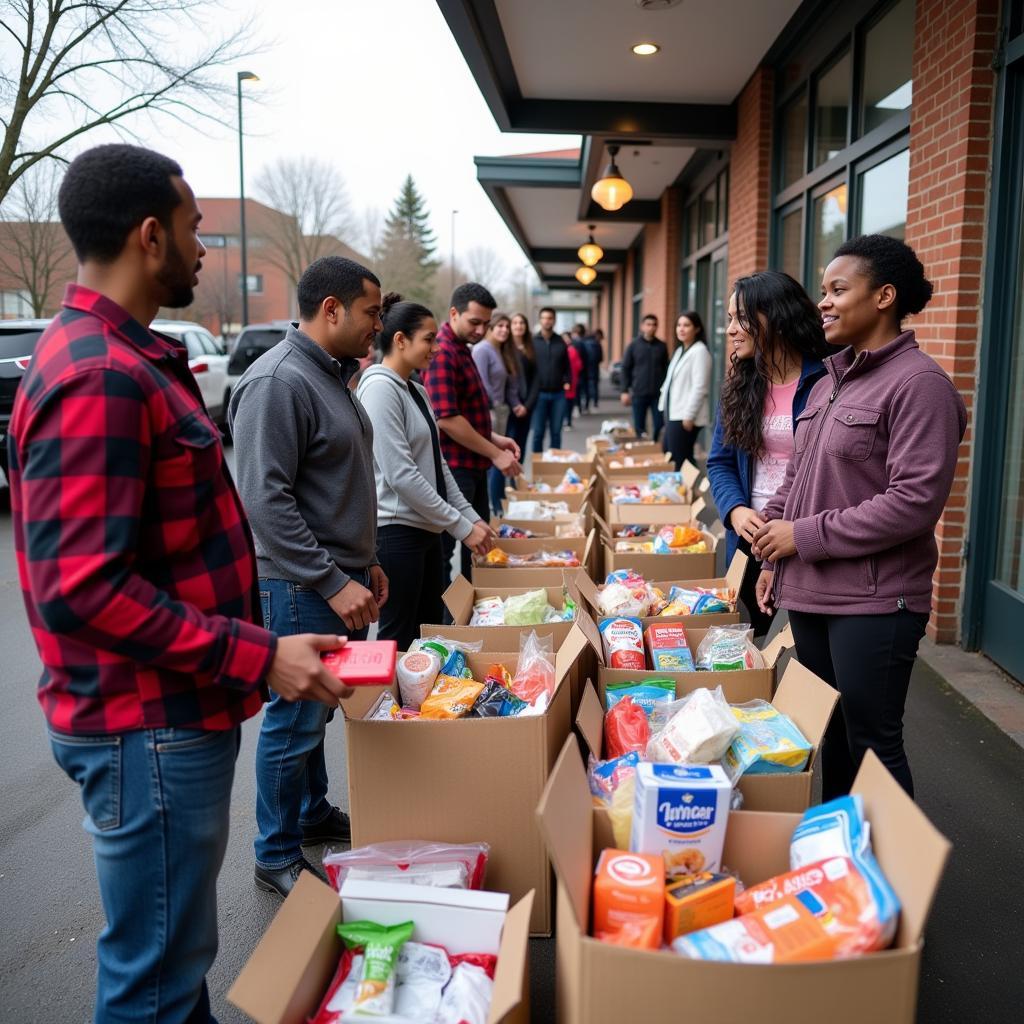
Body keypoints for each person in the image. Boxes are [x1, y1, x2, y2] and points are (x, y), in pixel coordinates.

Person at [8, 144, 352, 1023]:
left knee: (171, 968)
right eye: (198, 231)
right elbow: (80, 589)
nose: (207, 250)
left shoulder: (121, 357)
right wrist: (258, 653)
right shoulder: (99, 375)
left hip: (161, 718)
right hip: (146, 728)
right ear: (150, 235)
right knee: (156, 985)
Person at [753, 235, 967, 801]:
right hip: (812, 593)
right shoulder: (827, 381)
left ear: (884, 297)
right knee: (831, 734)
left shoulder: (921, 385)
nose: (822, 302)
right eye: (823, 290)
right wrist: (775, 548)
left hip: (876, 601)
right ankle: (835, 857)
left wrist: (801, 535)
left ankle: (892, 880)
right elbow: (800, 478)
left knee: (872, 740)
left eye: (837, 289)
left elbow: (914, 502)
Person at [230, 254, 387, 898]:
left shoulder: (331, 375)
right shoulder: (278, 382)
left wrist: (367, 559)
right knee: (292, 721)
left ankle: (311, 813)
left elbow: (334, 483)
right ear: (332, 310)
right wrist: (331, 579)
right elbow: (265, 502)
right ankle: (274, 853)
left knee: (316, 713)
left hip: (335, 574)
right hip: (298, 585)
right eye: (372, 313)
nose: (378, 325)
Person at [357, 294, 494, 650]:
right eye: (429, 339)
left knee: (428, 631)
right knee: (399, 636)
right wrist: (461, 527)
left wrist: (470, 518)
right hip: (397, 534)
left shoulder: (415, 390)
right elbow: (401, 475)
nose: (435, 347)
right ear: (400, 340)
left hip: (426, 532)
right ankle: (384, 706)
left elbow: (437, 466)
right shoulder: (379, 388)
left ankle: (420, 705)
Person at [706, 270, 830, 637]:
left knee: (808, 651)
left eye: (741, 318)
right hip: (749, 537)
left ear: (776, 318)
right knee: (748, 643)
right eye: (729, 319)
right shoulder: (740, 386)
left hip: (804, 536)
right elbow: (720, 461)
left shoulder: (826, 381)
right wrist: (734, 510)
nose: (731, 329)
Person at [423, 283, 523, 581]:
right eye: (474, 322)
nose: (481, 330)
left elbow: (464, 414)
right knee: (447, 552)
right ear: (454, 313)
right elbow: (447, 419)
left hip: (472, 465)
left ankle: (470, 618)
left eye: (485, 324)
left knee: (479, 545)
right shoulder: (442, 353)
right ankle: (444, 622)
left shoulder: (462, 348)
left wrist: (494, 439)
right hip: (455, 468)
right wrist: (495, 454)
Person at [472, 312, 526, 515]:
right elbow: (481, 383)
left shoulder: (503, 350)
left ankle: (497, 503)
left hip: (502, 411)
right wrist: (490, 410)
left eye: (507, 326)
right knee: (493, 460)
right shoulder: (482, 349)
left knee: (498, 460)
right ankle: (494, 506)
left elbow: (510, 385)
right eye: (500, 326)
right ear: (491, 328)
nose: (504, 330)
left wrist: (516, 404)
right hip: (489, 411)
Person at [659, 311, 712, 470]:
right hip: (673, 412)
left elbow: (700, 387)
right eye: (679, 325)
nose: (681, 329)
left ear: (696, 329)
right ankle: (689, 491)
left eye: (686, 325)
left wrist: (689, 416)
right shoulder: (680, 351)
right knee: (673, 454)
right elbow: (669, 382)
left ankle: (691, 492)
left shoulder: (700, 352)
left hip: (685, 415)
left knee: (680, 460)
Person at [620, 313, 669, 440]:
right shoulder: (633, 345)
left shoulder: (661, 346)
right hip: (639, 392)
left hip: (657, 394)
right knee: (639, 427)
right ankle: (642, 449)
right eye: (648, 324)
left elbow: (666, 369)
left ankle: (654, 444)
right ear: (642, 326)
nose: (651, 327)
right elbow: (625, 368)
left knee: (659, 424)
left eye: (654, 325)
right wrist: (624, 390)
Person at [529, 306, 571, 451]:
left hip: (558, 394)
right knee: (538, 433)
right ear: (540, 320)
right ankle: (538, 469)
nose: (547, 321)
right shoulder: (533, 342)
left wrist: (567, 381)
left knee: (556, 433)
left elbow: (567, 366)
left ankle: (553, 468)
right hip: (539, 394)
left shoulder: (561, 342)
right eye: (544, 318)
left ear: (554, 320)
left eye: (550, 318)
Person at [507, 312, 535, 458]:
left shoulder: (531, 348)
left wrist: (527, 405)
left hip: (527, 404)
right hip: (510, 405)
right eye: (515, 323)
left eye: (522, 323)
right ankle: (507, 480)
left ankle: (518, 479)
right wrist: (515, 404)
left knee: (522, 444)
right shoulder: (505, 349)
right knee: (509, 444)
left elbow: (536, 379)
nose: (518, 326)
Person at [564, 329, 584, 427]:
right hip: (570, 379)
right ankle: (568, 421)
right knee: (568, 401)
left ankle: (567, 421)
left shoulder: (571, 351)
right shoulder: (572, 350)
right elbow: (579, 365)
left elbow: (579, 365)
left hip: (570, 379)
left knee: (567, 401)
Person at [583, 327, 604, 409]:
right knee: (594, 386)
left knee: (586, 386)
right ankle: (595, 402)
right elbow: (601, 358)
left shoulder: (584, 343)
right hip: (594, 368)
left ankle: (587, 404)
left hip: (585, 368)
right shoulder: (597, 344)